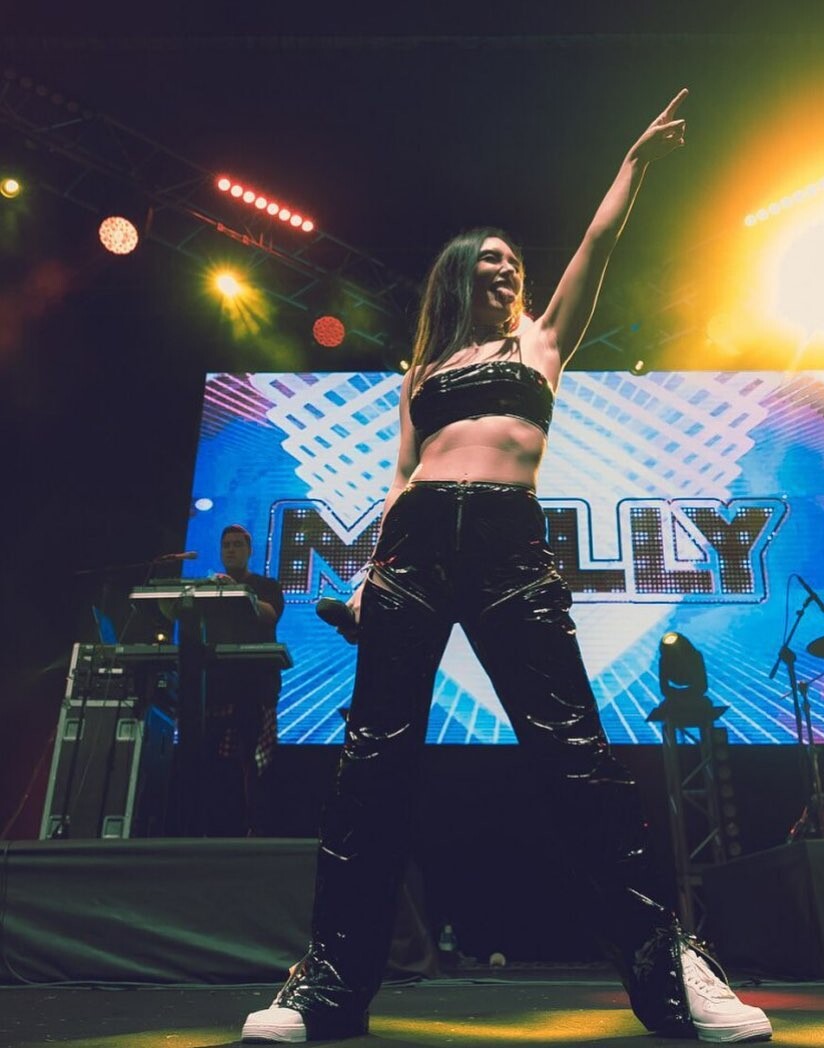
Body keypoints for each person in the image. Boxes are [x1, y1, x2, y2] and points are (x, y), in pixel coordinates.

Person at [242, 89, 772, 1043]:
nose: (505, 268)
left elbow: (597, 246)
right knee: (371, 765)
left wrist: (633, 163)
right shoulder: (422, 373)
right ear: (458, 276)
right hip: (412, 546)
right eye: (488, 259)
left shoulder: (541, 340)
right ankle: (327, 987)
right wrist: (366, 578)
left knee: (576, 756)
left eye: (512, 261)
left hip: (505, 541)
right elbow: (400, 479)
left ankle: (671, 975)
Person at [203, 524, 285, 836]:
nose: (231, 550)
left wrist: (239, 592)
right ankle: (214, 828)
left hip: (256, 688)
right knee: (214, 764)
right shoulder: (211, 589)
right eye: (226, 545)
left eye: (238, 545)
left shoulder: (266, 585)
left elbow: (270, 614)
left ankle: (255, 830)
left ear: (250, 551)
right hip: (218, 689)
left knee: (253, 763)